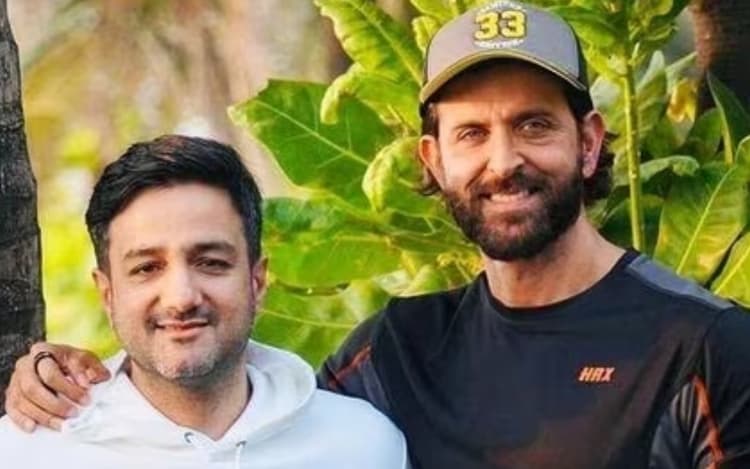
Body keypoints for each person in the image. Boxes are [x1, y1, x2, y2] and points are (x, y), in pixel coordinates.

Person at [6, 2, 750, 468]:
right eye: (471, 133)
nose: (503, 160)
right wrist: (69, 377)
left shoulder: (704, 345)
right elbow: (248, 405)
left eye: (533, 125)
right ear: (434, 159)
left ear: (588, 143)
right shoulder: (396, 350)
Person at [0, 135, 409, 468]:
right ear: (107, 294)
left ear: (257, 281)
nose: (181, 298)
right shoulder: (26, 455)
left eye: (211, 263)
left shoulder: (363, 446)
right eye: (147, 268)